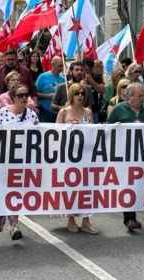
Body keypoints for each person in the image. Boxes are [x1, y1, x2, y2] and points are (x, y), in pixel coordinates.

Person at [0, 84, 39, 240]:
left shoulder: (32, 115)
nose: (24, 98)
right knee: (6, 191)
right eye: (20, 95)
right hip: (5, 161)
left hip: (24, 161)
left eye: (26, 95)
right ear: (13, 97)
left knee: (17, 192)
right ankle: (12, 223)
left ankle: (12, 222)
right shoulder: (2, 114)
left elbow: (40, 136)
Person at [107, 83, 144, 231]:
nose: (142, 99)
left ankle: (132, 216)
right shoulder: (119, 110)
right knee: (128, 185)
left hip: (142, 155)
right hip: (124, 155)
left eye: (143, 96)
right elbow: (107, 129)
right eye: (139, 96)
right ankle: (129, 218)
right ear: (129, 97)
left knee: (137, 185)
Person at [56, 83, 98, 234]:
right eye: (77, 93)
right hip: (68, 156)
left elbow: (93, 133)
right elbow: (55, 134)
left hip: (85, 155)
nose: (80, 96)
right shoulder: (63, 112)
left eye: (82, 93)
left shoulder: (88, 112)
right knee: (70, 188)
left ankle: (86, 221)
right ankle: (71, 219)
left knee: (87, 188)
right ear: (71, 95)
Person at [35, 56, 65, 122]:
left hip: (58, 112)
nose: (62, 68)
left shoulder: (63, 79)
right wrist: (48, 96)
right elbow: (34, 93)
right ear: (53, 65)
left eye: (62, 66)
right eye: (60, 66)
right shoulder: (42, 77)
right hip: (44, 111)